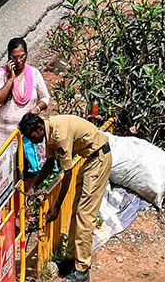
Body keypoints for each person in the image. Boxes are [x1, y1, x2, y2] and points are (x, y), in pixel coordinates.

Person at [21, 113, 111, 282]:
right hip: (89, 161)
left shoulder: (59, 135)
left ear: (39, 129)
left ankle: (83, 269)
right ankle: (70, 260)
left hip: (98, 160)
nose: (31, 141)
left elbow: (67, 174)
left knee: (85, 216)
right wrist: (34, 185)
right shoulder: (48, 133)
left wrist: (57, 206)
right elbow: (49, 163)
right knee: (76, 211)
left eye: (30, 136)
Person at [0, 36, 51, 155]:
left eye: (22, 56)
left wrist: (37, 109)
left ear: (26, 54)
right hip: (4, 135)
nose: (19, 61)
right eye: (14, 57)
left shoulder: (34, 74)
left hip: (28, 135)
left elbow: (45, 98)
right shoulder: (2, 74)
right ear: (9, 58)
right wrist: (11, 79)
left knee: (27, 170)